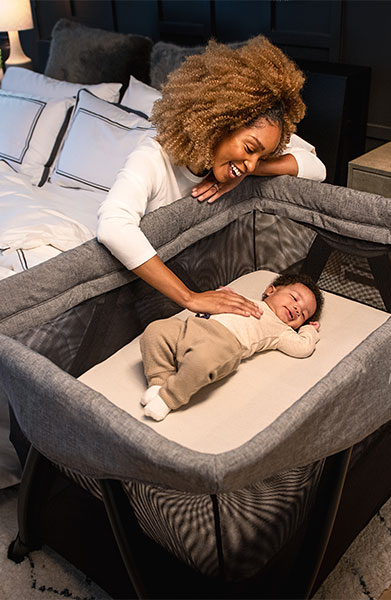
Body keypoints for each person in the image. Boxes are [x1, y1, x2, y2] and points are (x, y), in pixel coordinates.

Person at [97, 36, 326, 319]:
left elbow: (317, 168)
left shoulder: (248, 156)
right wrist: (190, 298)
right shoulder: (152, 157)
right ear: (219, 124)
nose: (252, 162)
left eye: (262, 155)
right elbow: (112, 226)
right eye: (250, 149)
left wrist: (250, 168)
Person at [139, 273, 324, 421]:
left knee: (202, 361)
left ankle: (168, 398)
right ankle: (159, 381)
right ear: (271, 290)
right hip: (193, 326)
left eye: (304, 314)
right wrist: (223, 294)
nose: (297, 309)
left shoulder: (281, 330)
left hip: (224, 344)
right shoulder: (245, 300)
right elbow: (216, 301)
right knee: (155, 331)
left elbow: (302, 347)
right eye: (294, 298)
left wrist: (308, 330)